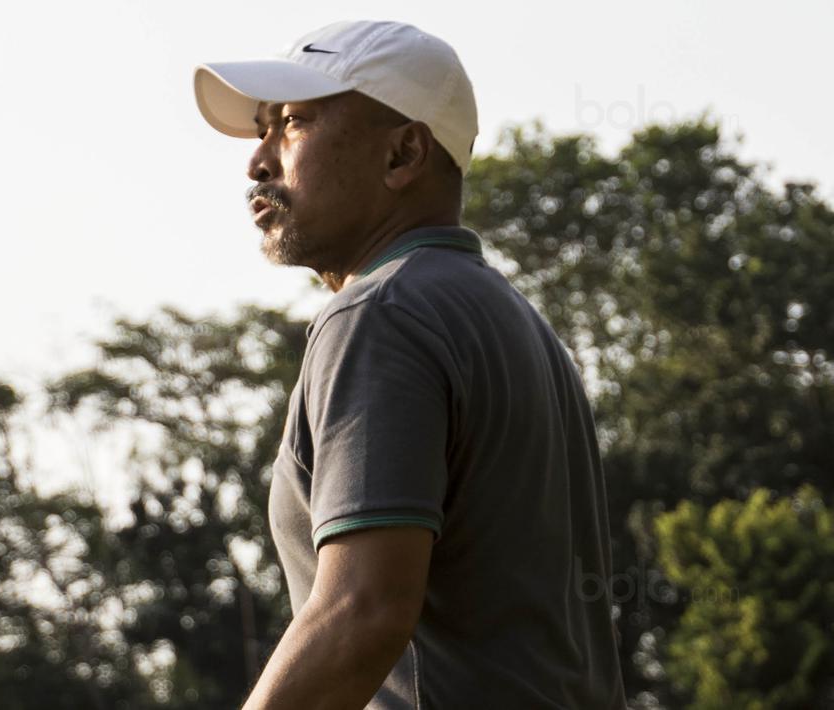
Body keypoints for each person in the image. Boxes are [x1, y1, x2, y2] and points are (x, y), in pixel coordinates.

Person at [193, 20, 628, 709]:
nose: (259, 162)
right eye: (262, 129)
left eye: (294, 123)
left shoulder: (380, 314)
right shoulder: (516, 322)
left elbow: (361, 612)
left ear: (402, 153)